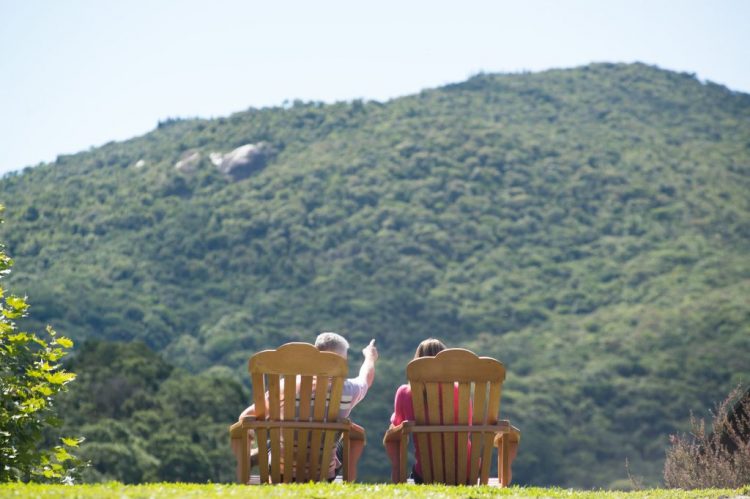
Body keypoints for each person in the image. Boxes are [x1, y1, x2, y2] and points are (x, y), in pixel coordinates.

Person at [234, 332, 377, 482]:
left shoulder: (285, 386)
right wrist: (369, 357)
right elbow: (366, 377)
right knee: (348, 437)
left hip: (280, 472)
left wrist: (251, 442)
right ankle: (349, 482)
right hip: (322, 475)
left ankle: (260, 454)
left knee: (274, 439)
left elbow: (246, 416)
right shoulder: (349, 390)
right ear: (341, 362)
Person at [385, 338, 519, 484]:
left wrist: (397, 466)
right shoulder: (460, 391)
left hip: (426, 475)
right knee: (512, 437)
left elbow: (395, 431)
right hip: (467, 474)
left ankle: (398, 478)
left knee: (393, 439)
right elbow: (467, 427)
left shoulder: (404, 393)